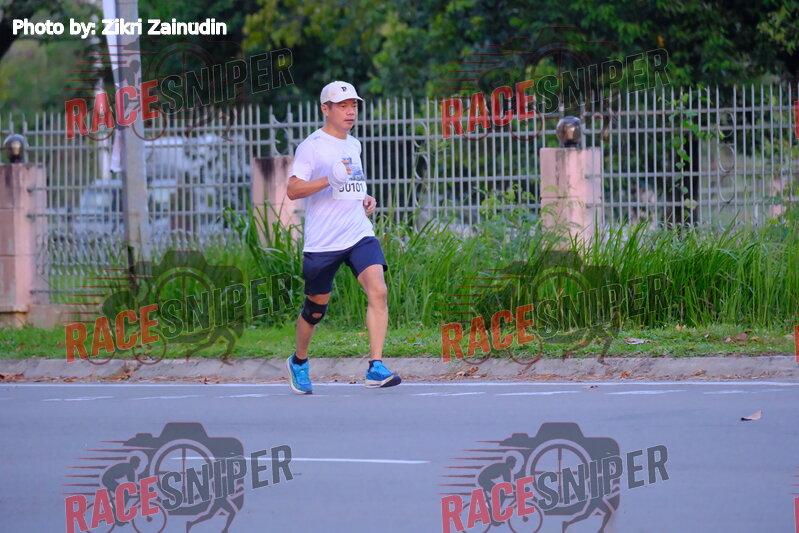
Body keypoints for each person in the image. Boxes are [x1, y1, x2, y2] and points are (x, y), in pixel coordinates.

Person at [284, 80, 401, 394]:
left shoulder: (354, 145)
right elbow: (293, 189)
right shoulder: (312, 146)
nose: (350, 112)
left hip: (358, 233)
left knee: (379, 290)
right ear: (326, 109)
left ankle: (376, 367)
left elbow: (350, 183)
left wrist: (365, 197)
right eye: (343, 106)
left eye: (353, 105)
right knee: (315, 310)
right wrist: (327, 179)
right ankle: (299, 361)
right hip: (323, 242)